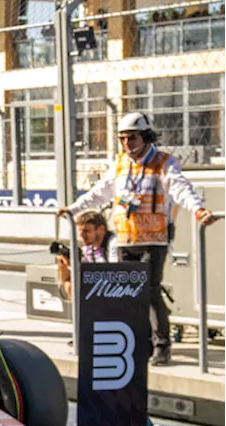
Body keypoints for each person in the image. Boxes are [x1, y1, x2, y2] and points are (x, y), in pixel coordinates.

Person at [58, 111, 214, 366]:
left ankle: (161, 346)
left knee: (151, 291)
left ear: (146, 137)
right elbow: (98, 194)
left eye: (132, 138)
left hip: (154, 240)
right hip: (125, 240)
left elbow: (180, 188)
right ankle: (139, 343)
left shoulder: (164, 163)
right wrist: (72, 209)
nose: (127, 144)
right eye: (122, 139)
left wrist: (197, 210)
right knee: (128, 295)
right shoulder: (120, 165)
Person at [54, 210, 118, 300]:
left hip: (116, 291)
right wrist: (65, 265)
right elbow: (70, 280)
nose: (81, 235)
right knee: (70, 283)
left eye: (86, 231)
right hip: (101, 291)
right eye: (80, 230)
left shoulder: (113, 242)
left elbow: (114, 272)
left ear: (101, 230)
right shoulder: (89, 248)